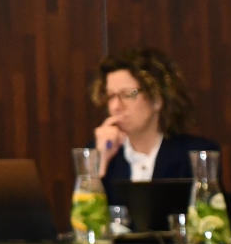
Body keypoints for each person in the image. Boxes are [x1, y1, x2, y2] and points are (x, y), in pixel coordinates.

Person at [90, 47, 219, 204]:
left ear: (156, 99)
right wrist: (100, 165)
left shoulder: (195, 155)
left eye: (128, 94)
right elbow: (83, 217)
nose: (116, 106)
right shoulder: (101, 151)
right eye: (110, 96)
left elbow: (210, 215)